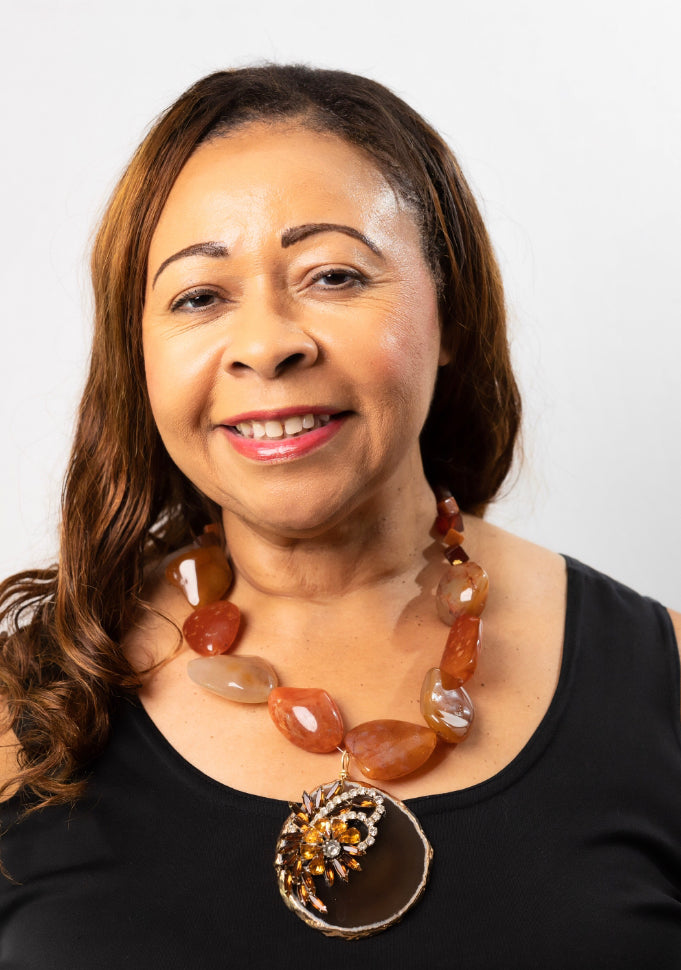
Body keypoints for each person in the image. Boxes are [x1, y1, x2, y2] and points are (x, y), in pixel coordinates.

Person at [1, 65, 680, 967]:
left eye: (332, 275)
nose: (266, 344)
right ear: (140, 355)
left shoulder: (663, 681)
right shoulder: (20, 711)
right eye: (199, 296)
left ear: (452, 314)